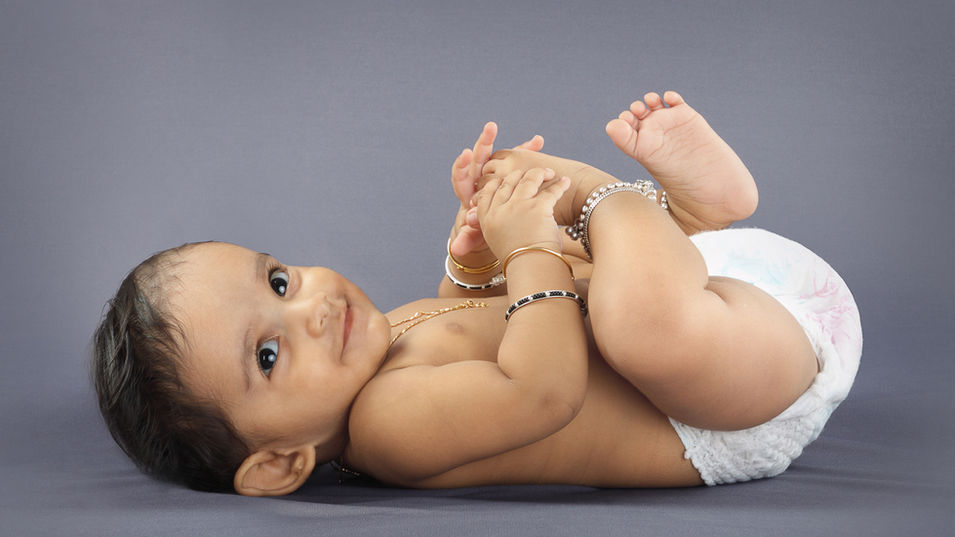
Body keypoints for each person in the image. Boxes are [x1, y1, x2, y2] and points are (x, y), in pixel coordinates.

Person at [91, 91, 862, 495]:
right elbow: (541, 387)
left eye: (280, 281)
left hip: (713, 297)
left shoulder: (379, 344)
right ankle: (605, 194)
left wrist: (474, 260)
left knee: (598, 293)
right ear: (278, 463)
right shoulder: (387, 427)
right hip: (733, 400)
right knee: (626, 322)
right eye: (268, 351)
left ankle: (689, 220)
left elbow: (482, 322)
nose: (312, 307)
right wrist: (528, 237)